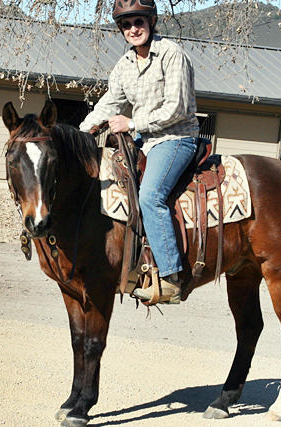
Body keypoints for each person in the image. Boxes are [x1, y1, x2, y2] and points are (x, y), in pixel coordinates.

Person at [79, 0, 200, 303]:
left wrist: (132, 122)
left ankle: (171, 277)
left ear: (151, 21)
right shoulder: (124, 66)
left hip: (175, 138)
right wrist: (79, 134)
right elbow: (109, 103)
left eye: (138, 22)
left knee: (149, 195)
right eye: (125, 24)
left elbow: (177, 107)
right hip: (144, 140)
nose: (132, 29)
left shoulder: (172, 55)